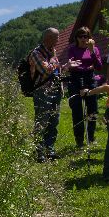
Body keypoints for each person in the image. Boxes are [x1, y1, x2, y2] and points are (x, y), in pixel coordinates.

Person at [30, 28, 75, 162]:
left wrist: (65, 65)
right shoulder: (36, 53)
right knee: (42, 121)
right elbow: (46, 70)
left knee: (53, 121)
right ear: (48, 38)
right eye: (56, 38)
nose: (58, 40)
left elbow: (56, 69)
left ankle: (50, 149)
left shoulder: (52, 52)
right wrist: (56, 63)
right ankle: (40, 152)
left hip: (56, 90)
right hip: (42, 91)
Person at [66, 26, 102, 147]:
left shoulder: (94, 49)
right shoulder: (72, 49)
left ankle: (90, 137)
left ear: (89, 38)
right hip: (75, 79)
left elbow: (99, 66)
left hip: (90, 79)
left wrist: (92, 52)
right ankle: (79, 139)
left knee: (93, 109)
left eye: (85, 36)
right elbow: (72, 66)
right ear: (76, 38)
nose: (83, 39)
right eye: (80, 36)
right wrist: (86, 67)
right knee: (77, 111)